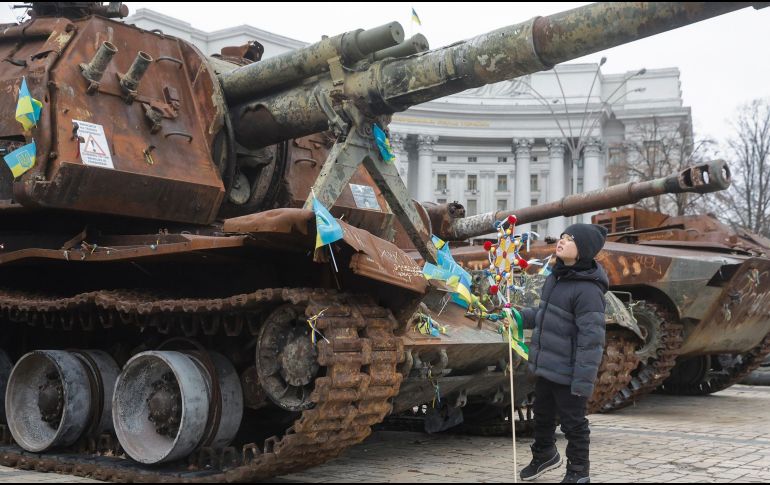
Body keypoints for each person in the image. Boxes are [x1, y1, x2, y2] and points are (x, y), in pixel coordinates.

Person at [518, 223, 609, 484]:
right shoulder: (556, 277)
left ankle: (579, 472)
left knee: (573, 422)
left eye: (570, 239)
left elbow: (591, 341)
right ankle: (544, 454)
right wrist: (518, 318)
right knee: (542, 413)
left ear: (584, 250)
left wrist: (583, 380)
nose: (562, 241)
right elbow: (545, 315)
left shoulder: (588, 290)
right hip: (548, 364)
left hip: (570, 371)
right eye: (562, 236)